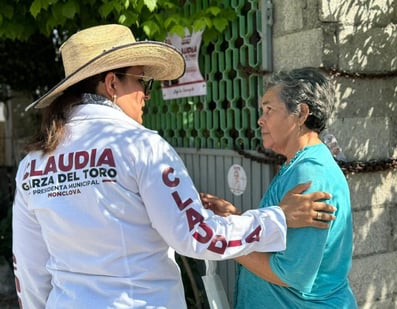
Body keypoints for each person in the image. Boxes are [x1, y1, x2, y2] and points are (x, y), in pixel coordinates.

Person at [12, 25, 335, 309]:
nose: (146, 96)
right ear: (112, 84)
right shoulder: (140, 145)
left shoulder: (33, 163)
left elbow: (29, 267)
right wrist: (278, 218)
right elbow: (197, 237)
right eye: (142, 82)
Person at [201, 67, 357, 308]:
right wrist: (237, 219)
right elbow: (281, 237)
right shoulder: (297, 165)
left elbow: (290, 272)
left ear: (301, 113)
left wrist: (225, 239)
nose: (260, 119)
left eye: (269, 109)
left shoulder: (310, 173)